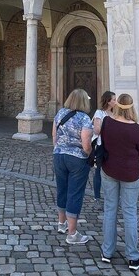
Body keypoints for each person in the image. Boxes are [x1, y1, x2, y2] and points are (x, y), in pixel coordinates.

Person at [99, 93, 139, 270]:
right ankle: (133, 256)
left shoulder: (107, 123)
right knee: (130, 212)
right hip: (130, 173)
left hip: (109, 169)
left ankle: (107, 251)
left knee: (110, 209)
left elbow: (104, 142)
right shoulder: (136, 128)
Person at [52, 88, 94, 245]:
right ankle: (72, 233)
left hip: (59, 156)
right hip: (76, 159)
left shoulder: (60, 113)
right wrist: (89, 154)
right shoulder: (84, 119)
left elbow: (54, 136)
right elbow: (86, 144)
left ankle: (61, 224)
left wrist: (58, 149)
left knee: (62, 189)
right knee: (75, 193)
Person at [92, 91, 116, 205]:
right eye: (114, 100)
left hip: (113, 146)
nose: (115, 102)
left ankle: (111, 195)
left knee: (112, 170)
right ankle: (97, 196)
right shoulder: (99, 113)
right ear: (108, 101)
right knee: (98, 171)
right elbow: (96, 130)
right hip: (101, 145)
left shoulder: (115, 114)